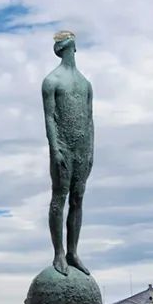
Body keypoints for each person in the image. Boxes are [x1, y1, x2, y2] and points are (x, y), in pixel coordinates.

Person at [41, 30, 94, 276]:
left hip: (82, 149)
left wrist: (91, 150)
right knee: (59, 197)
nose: (66, 44)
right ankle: (59, 253)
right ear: (60, 48)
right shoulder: (51, 81)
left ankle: (73, 252)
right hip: (62, 147)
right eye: (62, 42)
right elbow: (50, 118)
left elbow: (90, 119)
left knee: (78, 198)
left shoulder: (85, 84)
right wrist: (55, 148)